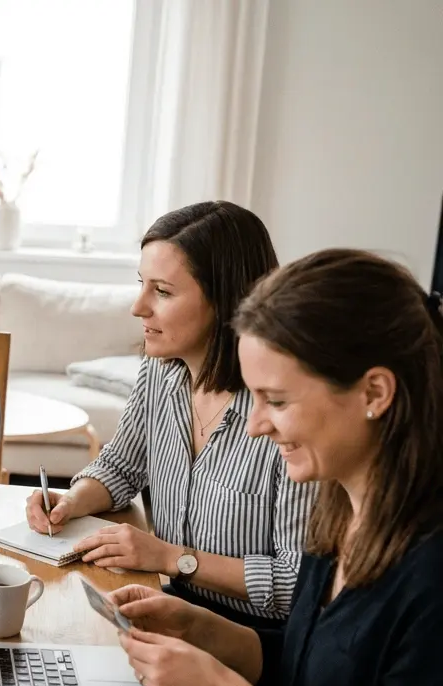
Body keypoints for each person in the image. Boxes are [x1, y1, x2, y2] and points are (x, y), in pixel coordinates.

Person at [111, 249, 443, 686]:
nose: (256, 424)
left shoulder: (429, 573)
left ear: (375, 392)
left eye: (277, 401)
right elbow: (313, 677)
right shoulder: (339, 507)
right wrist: (201, 628)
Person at [25, 201, 315, 626]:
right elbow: (122, 465)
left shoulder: (284, 418)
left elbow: (298, 584)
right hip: (166, 603)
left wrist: (172, 557)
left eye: (161, 291)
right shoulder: (159, 371)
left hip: (254, 639)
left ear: (226, 300)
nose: (138, 306)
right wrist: (71, 501)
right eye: (142, 284)